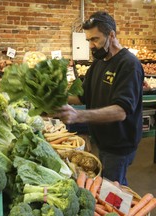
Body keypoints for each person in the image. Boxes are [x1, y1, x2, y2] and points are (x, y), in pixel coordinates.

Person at [56, 11, 144, 186]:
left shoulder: (128, 64)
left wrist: (78, 116)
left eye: (95, 39)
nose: (90, 45)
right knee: (104, 183)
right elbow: (82, 96)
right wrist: (56, 99)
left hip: (119, 144)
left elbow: (120, 111)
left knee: (112, 189)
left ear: (111, 35)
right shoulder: (99, 61)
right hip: (101, 140)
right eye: (88, 40)